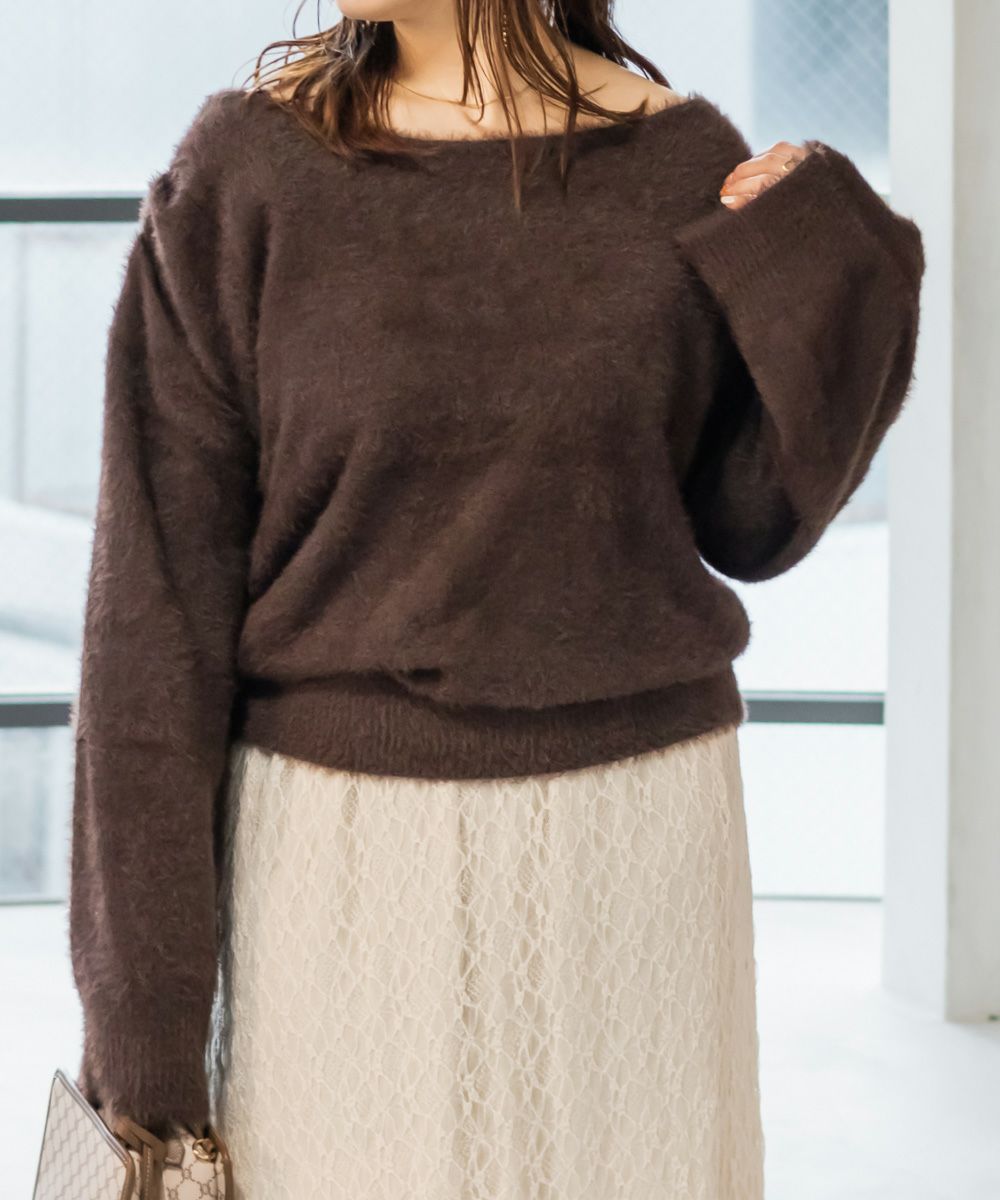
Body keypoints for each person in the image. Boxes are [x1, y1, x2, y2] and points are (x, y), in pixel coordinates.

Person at [66, 1, 925, 1197]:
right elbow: (150, 632)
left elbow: (753, 523)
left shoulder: (680, 159)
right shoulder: (245, 173)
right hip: (338, 874)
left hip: (635, 856)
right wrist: (142, 1041)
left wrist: (834, 265)